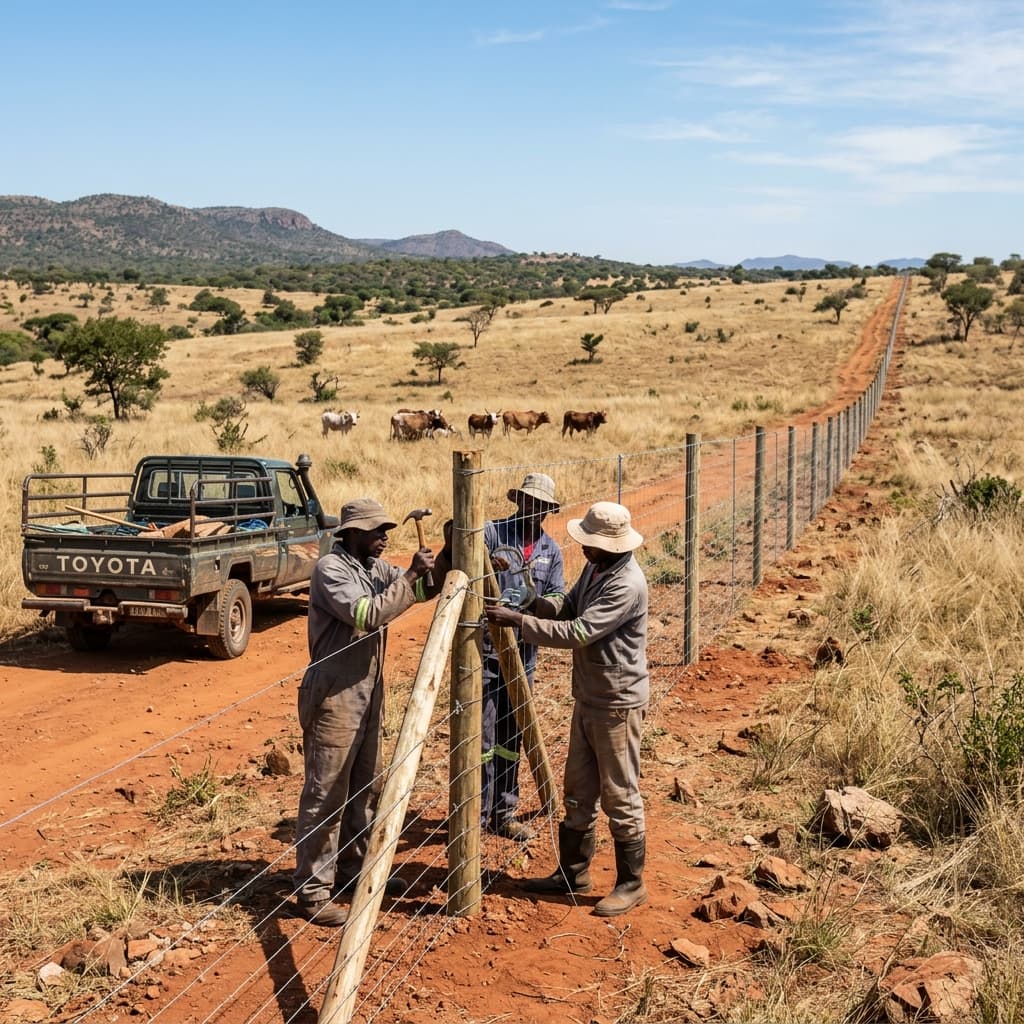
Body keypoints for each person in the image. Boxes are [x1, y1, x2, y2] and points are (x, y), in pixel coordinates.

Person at [485, 500, 649, 917]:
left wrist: (517, 622)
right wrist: (531, 604)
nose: (583, 550)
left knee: (619, 793)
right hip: (590, 696)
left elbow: (579, 631)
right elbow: (569, 606)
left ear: (611, 546)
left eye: (589, 544)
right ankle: (572, 873)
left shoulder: (626, 583)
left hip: (617, 703)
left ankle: (631, 883)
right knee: (578, 791)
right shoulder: (597, 568)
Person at [293, 498, 436, 926]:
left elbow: (421, 592)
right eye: (376, 531)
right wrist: (411, 573)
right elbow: (369, 614)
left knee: (365, 786)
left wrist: (441, 559)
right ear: (351, 534)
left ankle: (353, 873)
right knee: (327, 793)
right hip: (335, 695)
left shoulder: (375, 568)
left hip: (368, 690)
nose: (384, 538)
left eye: (386, 530)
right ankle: (313, 891)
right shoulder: (331, 571)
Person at [437, 472, 565, 840]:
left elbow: (557, 600)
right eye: (528, 502)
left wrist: (530, 608)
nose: (533, 510)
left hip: (523, 656)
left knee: (512, 738)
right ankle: (473, 817)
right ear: (519, 501)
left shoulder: (550, 551)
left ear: (547, 511)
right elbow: (456, 536)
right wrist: (486, 562)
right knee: (482, 738)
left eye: (540, 506)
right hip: (484, 653)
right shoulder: (491, 533)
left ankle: (504, 812)